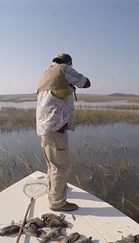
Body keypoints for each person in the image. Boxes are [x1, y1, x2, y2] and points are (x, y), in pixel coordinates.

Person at [36, 53, 91, 212]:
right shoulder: (64, 69)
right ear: (69, 63)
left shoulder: (47, 73)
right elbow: (86, 83)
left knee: (52, 164)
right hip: (55, 128)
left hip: (43, 128)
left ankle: (54, 191)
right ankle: (58, 203)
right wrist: (72, 82)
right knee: (61, 166)